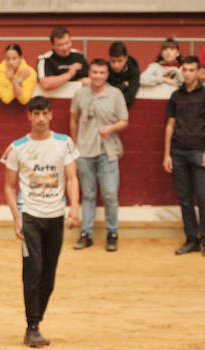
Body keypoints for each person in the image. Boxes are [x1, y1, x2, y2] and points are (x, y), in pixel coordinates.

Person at [1, 95, 79, 348]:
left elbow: (71, 178)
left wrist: (74, 207)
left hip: (55, 215)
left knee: (48, 274)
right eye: (36, 114)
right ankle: (32, 325)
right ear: (29, 116)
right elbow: (9, 186)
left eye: (45, 113)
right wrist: (17, 217)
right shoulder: (17, 148)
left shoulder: (64, 143)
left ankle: (36, 321)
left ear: (51, 114)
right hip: (30, 215)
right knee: (32, 270)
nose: (41, 119)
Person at [70, 60, 128, 251]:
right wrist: (75, 144)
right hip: (84, 151)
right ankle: (86, 234)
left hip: (108, 151)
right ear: (89, 73)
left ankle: (112, 234)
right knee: (88, 194)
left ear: (107, 75)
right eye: (94, 72)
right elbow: (73, 119)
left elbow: (124, 121)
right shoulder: (80, 94)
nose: (98, 76)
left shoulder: (115, 94)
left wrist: (111, 128)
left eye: (102, 72)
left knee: (110, 194)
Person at [164, 56, 205, 257]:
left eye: (191, 70)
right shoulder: (175, 96)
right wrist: (167, 154)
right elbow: (169, 126)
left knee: (203, 199)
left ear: (197, 72)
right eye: (185, 70)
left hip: (199, 152)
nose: (187, 74)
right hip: (178, 153)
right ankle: (191, 240)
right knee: (185, 200)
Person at [37, 26, 88, 91]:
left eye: (67, 43)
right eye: (60, 45)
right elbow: (45, 84)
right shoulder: (45, 59)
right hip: (53, 96)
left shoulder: (79, 55)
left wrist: (89, 81)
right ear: (53, 45)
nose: (65, 48)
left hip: (78, 95)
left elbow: (92, 77)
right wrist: (69, 74)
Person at [106, 41, 140, 106]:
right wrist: (123, 86)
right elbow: (102, 92)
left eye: (120, 61)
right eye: (113, 61)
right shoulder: (106, 69)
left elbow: (129, 98)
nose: (116, 65)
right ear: (109, 58)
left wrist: (111, 89)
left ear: (126, 58)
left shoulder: (134, 71)